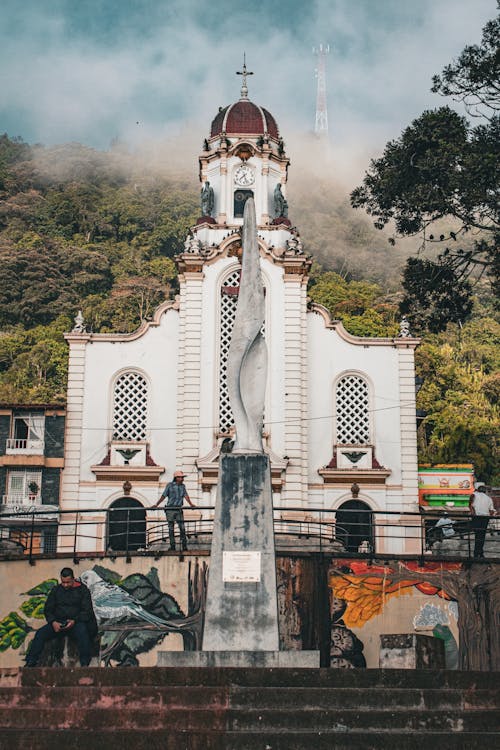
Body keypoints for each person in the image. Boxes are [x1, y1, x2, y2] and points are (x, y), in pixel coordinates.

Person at [25, 567, 97, 667]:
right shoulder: (56, 590)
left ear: (73, 579)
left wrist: (74, 621)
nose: (65, 585)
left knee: (83, 633)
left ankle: (84, 663)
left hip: (75, 623)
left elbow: (87, 611)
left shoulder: (83, 590)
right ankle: (31, 662)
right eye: (63, 582)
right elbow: (48, 609)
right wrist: (53, 622)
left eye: (68, 582)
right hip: (58, 623)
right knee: (40, 634)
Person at [153, 470, 196, 551]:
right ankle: (172, 546)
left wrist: (191, 504)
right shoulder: (169, 485)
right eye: (181, 477)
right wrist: (156, 504)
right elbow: (164, 495)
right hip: (170, 509)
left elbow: (186, 495)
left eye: (182, 477)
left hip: (178, 509)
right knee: (171, 528)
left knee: (182, 528)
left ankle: (184, 546)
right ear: (176, 478)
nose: (182, 479)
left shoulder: (183, 486)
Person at [469, 483, 495, 558]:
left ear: (478, 490)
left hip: (477, 517)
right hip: (485, 518)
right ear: (485, 491)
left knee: (477, 535)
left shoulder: (474, 495)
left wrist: (473, 514)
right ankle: (480, 552)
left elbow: (470, 505)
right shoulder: (489, 499)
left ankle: (476, 553)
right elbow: (491, 510)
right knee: (482, 535)